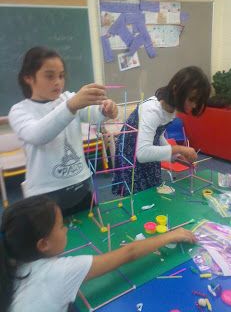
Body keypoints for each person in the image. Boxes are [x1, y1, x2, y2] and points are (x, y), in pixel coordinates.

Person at [0, 196, 196, 312]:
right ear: (43, 244)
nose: (66, 229)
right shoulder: (60, 271)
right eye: (61, 226)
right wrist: (171, 235)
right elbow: (129, 253)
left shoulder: (10, 257)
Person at [8, 46, 118, 216]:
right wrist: (71, 105)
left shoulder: (68, 98)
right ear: (28, 78)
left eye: (61, 75)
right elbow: (38, 135)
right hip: (44, 196)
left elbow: (92, 114)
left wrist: (105, 111)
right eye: (49, 76)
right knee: (53, 241)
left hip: (81, 186)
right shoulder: (19, 111)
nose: (58, 81)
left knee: (93, 233)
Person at [112, 66, 211, 195]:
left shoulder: (171, 109)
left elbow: (157, 135)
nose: (194, 105)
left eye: (197, 102)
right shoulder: (152, 110)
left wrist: (174, 155)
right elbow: (142, 154)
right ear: (176, 90)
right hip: (131, 157)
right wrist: (180, 149)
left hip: (146, 152)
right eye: (191, 99)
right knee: (138, 198)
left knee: (152, 192)